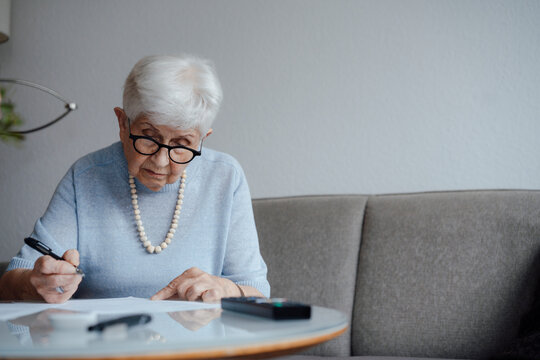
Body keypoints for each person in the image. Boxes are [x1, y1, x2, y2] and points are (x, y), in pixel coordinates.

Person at [0, 55, 270, 304]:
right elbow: (12, 280)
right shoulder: (86, 177)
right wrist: (37, 283)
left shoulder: (225, 177)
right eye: (149, 137)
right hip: (106, 349)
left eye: (182, 144)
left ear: (202, 139)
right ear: (122, 123)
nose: (161, 161)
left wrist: (228, 289)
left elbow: (257, 290)